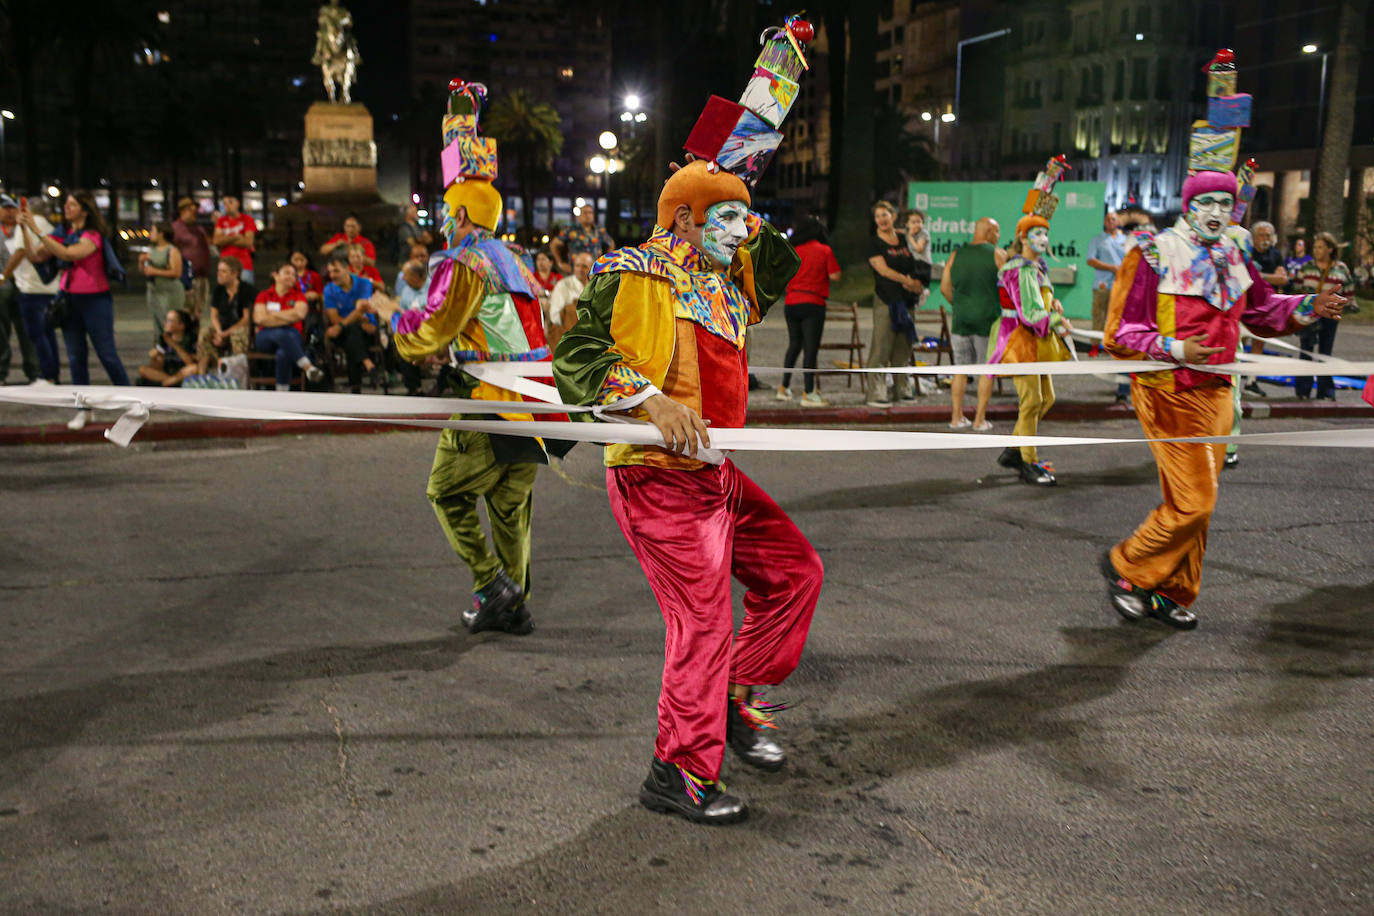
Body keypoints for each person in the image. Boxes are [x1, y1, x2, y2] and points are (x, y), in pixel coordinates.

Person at [554, 158, 821, 826]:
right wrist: (650, 401)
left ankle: (731, 698)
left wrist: (737, 160)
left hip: (714, 473)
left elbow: (780, 267)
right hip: (655, 479)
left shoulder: (725, 283)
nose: (745, 228)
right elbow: (578, 354)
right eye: (729, 216)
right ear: (682, 218)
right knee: (702, 623)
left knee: (795, 573)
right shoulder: (637, 271)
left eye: (746, 215)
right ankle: (678, 772)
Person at [1103, 169, 1345, 629]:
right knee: (1194, 502)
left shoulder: (1234, 254)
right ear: (1188, 205)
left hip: (1217, 393)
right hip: (1168, 392)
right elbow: (1120, 332)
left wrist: (1311, 305)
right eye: (1206, 202)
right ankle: (1128, 567)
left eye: (1225, 204)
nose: (1216, 213)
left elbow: (1262, 309)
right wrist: (1175, 348)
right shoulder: (1153, 254)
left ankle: (1168, 590)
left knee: (1200, 501)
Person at [371, 78, 564, 640]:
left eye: (446, 211)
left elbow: (429, 332)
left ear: (458, 213)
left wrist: (390, 314)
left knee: (447, 493)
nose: (443, 220)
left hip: (489, 401)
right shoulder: (518, 259)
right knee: (511, 509)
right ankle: (513, 604)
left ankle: (491, 585)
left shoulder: (465, 262)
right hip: (533, 403)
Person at [21, 190, 130, 429]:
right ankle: (83, 410)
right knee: (75, 358)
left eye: (72, 204)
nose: (67, 208)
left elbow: (68, 253)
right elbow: (35, 257)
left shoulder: (92, 235)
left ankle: (132, 404)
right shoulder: (63, 234)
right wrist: (25, 229)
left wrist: (37, 230)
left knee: (107, 354)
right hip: (68, 300)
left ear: (84, 209)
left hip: (95, 301)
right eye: (66, 204)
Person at [990, 212, 1073, 486]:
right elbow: (1029, 312)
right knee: (1032, 401)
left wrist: (1054, 304)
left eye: (1045, 234)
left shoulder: (1036, 268)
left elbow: (1039, 301)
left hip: (1035, 341)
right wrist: (1057, 321)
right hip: (1019, 340)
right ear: (1023, 238)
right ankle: (1028, 461)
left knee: (1046, 398)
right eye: (1036, 234)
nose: (1043, 239)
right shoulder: (1020, 269)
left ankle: (1014, 451)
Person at [940, 216, 1005, 430]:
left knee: (960, 369)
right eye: (997, 231)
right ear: (989, 232)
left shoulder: (956, 254)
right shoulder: (997, 255)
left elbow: (944, 288)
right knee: (986, 370)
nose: (999, 236)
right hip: (987, 321)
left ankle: (956, 418)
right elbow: (1010, 288)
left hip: (961, 320)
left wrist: (958, 305)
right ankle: (979, 420)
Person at [865, 200, 925, 407]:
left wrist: (918, 283)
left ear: (893, 216)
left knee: (903, 348)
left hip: (907, 301)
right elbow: (882, 270)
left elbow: (919, 258)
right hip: (886, 301)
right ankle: (876, 392)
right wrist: (907, 280)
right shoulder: (874, 243)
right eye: (878, 216)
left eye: (885, 215)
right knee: (881, 348)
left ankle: (903, 389)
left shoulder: (903, 238)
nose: (881, 219)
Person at [778, 215, 840, 407]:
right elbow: (835, 275)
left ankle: (784, 387)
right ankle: (808, 392)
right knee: (810, 349)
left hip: (791, 302)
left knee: (794, 345)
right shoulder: (824, 250)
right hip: (813, 303)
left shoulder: (793, 250)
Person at [3, 195, 61, 383]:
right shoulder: (49, 226)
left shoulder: (28, 224)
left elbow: (21, 252)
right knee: (47, 334)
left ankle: (45, 376)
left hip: (30, 287)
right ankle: (50, 375)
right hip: (49, 287)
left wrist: (4, 276)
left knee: (36, 335)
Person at [1293, 231, 1352, 400]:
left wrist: (1346, 306)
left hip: (1331, 316)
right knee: (1306, 351)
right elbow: (1297, 292)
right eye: (1316, 247)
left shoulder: (1341, 269)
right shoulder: (1306, 267)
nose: (1317, 251)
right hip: (1309, 315)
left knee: (1326, 352)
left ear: (1330, 249)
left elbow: (1348, 291)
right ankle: (1302, 390)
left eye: (1320, 247)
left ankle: (1325, 391)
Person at [251, 261, 325, 391]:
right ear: (275, 275)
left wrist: (273, 315)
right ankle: (308, 367)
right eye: (287, 273)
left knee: (283, 352)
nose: (291, 276)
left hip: (292, 334)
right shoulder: (264, 295)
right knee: (281, 333)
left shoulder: (299, 296)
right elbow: (259, 318)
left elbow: (300, 314)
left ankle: (282, 392)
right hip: (265, 337)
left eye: (293, 274)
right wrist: (288, 317)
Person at [1085, 210, 1130, 403]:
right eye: (1108, 219)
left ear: (1119, 221)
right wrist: (1111, 268)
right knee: (1099, 315)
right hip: (1102, 284)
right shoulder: (1097, 240)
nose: (1111, 221)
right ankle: (1096, 346)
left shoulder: (1126, 240)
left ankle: (1114, 346)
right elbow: (1090, 260)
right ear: (1105, 222)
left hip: (1122, 287)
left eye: (1114, 218)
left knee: (1120, 321)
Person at [322, 251, 380, 393]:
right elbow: (334, 318)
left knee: (353, 334)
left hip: (366, 331)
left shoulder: (365, 284)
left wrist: (343, 324)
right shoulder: (328, 289)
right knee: (353, 331)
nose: (332, 275)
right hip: (345, 333)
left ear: (347, 268)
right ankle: (368, 365)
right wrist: (356, 319)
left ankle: (356, 387)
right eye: (330, 272)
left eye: (336, 271)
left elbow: (362, 308)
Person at [0, 195, 39, 383]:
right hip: (1, 290)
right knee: (1, 332)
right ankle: (1, 371)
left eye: (11, 208)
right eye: (4, 208)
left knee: (28, 331)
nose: (8, 211)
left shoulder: (24, 229)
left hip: (25, 286)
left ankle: (34, 372)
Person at [195, 256, 256, 374]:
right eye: (218, 271)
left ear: (235, 273)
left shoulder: (247, 290)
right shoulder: (219, 290)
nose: (219, 274)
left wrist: (225, 334)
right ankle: (202, 375)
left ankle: (239, 374)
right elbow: (214, 315)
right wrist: (219, 333)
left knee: (237, 335)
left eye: (223, 271)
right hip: (223, 328)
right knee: (205, 333)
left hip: (241, 328)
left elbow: (246, 318)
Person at [140, 221, 185, 343]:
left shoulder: (172, 250)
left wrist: (155, 271)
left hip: (169, 293)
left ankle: (173, 349)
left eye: (153, 231)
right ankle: (161, 348)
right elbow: (146, 271)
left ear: (161, 234)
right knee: (157, 322)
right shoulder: (152, 249)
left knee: (170, 322)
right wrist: (141, 262)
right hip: (154, 291)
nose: (150, 234)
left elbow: (177, 272)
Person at [171, 198, 211, 318]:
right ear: (182, 211)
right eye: (191, 210)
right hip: (186, 278)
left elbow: (210, 244)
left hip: (202, 277)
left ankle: (196, 334)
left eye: (196, 211)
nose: (195, 213)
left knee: (198, 311)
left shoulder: (199, 228)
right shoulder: (175, 228)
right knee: (185, 312)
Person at [138, 309, 198, 387]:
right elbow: (158, 367)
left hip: (182, 372)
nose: (165, 323)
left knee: (194, 368)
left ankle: (165, 383)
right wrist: (154, 357)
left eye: (170, 321)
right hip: (166, 374)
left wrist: (173, 345)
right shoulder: (163, 338)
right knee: (142, 370)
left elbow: (190, 363)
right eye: (166, 320)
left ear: (181, 326)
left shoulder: (190, 339)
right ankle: (171, 382)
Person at [550, 203, 614, 275]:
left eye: (590, 213)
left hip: (595, 272)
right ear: (579, 217)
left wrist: (606, 262)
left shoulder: (600, 231)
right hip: (575, 271)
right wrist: (560, 263)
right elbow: (554, 244)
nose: (588, 215)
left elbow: (611, 244)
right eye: (585, 213)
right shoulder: (570, 230)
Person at [545, 251, 590, 351]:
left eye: (584, 266)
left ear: (591, 269)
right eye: (577, 266)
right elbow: (554, 316)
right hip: (567, 337)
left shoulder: (595, 287)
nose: (580, 270)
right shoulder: (563, 285)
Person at [211, 195, 257, 285]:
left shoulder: (247, 219)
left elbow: (248, 242)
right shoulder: (221, 221)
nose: (227, 205)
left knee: (246, 292)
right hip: (225, 265)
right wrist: (237, 236)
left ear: (238, 203)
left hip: (244, 264)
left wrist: (225, 238)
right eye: (224, 203)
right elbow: (216, 241)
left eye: (230, 202)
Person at [903, 207, 932, 307]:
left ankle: (924, 292)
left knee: (911, 282)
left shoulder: (923, 233)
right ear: (907, 224)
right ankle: (920, 294)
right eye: (913, 222)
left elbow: (919, 249)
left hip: (922, 264)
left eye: (919, 222)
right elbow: (900, 231)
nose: (916, 225)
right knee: (906, 284)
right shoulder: (908, 232)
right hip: (914, 263)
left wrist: (910, 237)